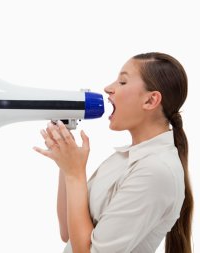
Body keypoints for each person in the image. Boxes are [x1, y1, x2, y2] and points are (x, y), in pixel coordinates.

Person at [34, 52, 193, 253]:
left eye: (123, 82)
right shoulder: (126, 158)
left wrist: (75, 173)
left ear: (150, 100)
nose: (108, 88)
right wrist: (66, 165)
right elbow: (68, 233)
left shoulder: (155, 170)